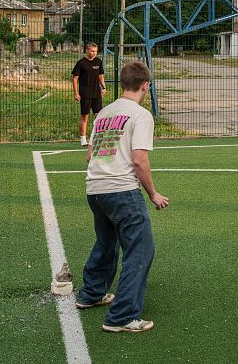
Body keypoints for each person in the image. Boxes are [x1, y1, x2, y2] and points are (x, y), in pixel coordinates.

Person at [76, 61, 170, 333]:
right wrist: (152, 193)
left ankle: (91, 294)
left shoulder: (104, 113)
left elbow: (89, 154)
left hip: (95, 188)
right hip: (121, 190)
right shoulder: (140, 115)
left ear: (122, 83)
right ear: (145, 85)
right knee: (140, 249)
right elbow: (139, 160)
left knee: (106, 242)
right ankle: (123, 316)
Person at [72, 42, 106, 146]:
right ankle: (83, 140)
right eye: (91, 51)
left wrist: (104, 87)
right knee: (84, 117)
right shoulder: (81, 63)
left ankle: (97, 139)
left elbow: (100, 76)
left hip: (97, 94)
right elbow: (74, 78)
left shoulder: (98, 61)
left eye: (95, 51)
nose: (93, 53)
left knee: (98, 117)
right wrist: (76, 93)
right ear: (87, 50)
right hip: (85, 94)